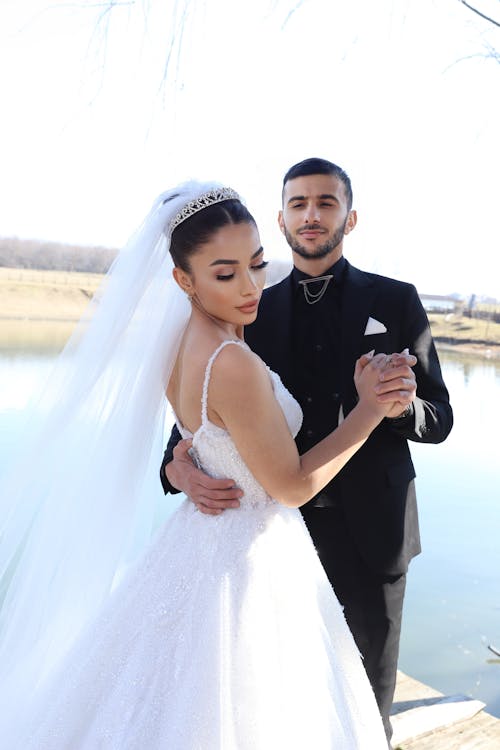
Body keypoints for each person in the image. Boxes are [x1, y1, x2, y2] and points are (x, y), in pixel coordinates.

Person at [0, 180, 414, 749]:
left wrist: (184, 460)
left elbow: (202, 427)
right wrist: (369, 409)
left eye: (257, 264)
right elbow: (289, 485)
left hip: (213, 538)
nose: (250, 287)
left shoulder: (177, 339)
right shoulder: (232, 359)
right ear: (183, 279)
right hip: (250, 555)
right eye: (226, 273)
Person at [161, 159, 454, 743]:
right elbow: (204, 416)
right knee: (273, 704)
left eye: (325, 202)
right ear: (281, 217)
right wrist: (175, 468)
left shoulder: (396, 300)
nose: (312, 214)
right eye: (298, 203)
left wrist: (396, 408)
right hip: (271, 538)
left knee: (364, 706)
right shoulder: (246, 304)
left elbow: (439, 418)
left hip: (374, 535)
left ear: (350, 217)